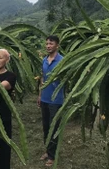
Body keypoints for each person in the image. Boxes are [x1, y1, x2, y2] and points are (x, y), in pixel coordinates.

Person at [37, 35, 64, 167]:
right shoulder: (44, 60)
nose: (48, 46)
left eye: (51, 44)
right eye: (47, 43)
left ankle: (53, 156)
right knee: (46, 127)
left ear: (57, 45)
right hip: (45, 99)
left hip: (56, 100)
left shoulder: (62, 61)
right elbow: (42, 79)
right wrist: (40, 95)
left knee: (54, 128)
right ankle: (48, 151)